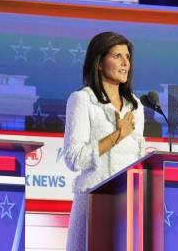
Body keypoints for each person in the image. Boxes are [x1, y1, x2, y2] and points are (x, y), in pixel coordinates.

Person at [63, 32, 145, 251]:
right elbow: (74, 158)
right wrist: (117, 135)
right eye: (117, 56)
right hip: (93, 201)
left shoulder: (135, 107)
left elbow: (138, 161)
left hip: (128, 207)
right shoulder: (82, 100)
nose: (125, 63)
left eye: (127, 57)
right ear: (99, 62)